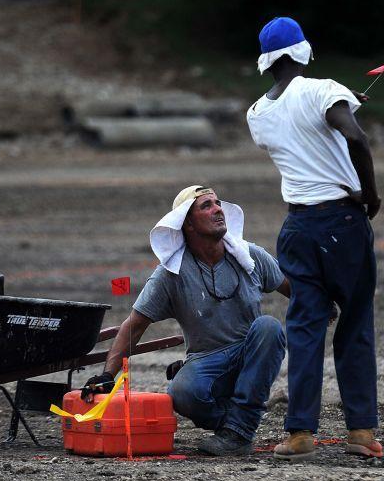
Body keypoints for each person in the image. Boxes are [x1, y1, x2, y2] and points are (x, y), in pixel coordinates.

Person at [246, 17, 383, 460]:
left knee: (304, 327)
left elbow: (298, 127)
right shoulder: (323, 88)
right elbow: (356, 139)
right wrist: (372, 194)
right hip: (342, 222)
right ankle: (361, 433)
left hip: (297, 229)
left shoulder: (256, 115)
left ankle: (299, 434)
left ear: (267, 61)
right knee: (355, 324)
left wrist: (342, 100)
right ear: (303, 50)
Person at [83, 185, 289, 456]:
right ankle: (236, 424)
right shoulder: (171, 273)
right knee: (180, 392)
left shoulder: (249, 255)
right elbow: (133, 326)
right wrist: (108, 375)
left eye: (217, 203)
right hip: (207, 358)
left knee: (269, 327)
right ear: (187, 224)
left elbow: (292, 288)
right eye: (206, 206)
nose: (218, 210)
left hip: (250, 351)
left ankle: (239, 432)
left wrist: (325, 307)